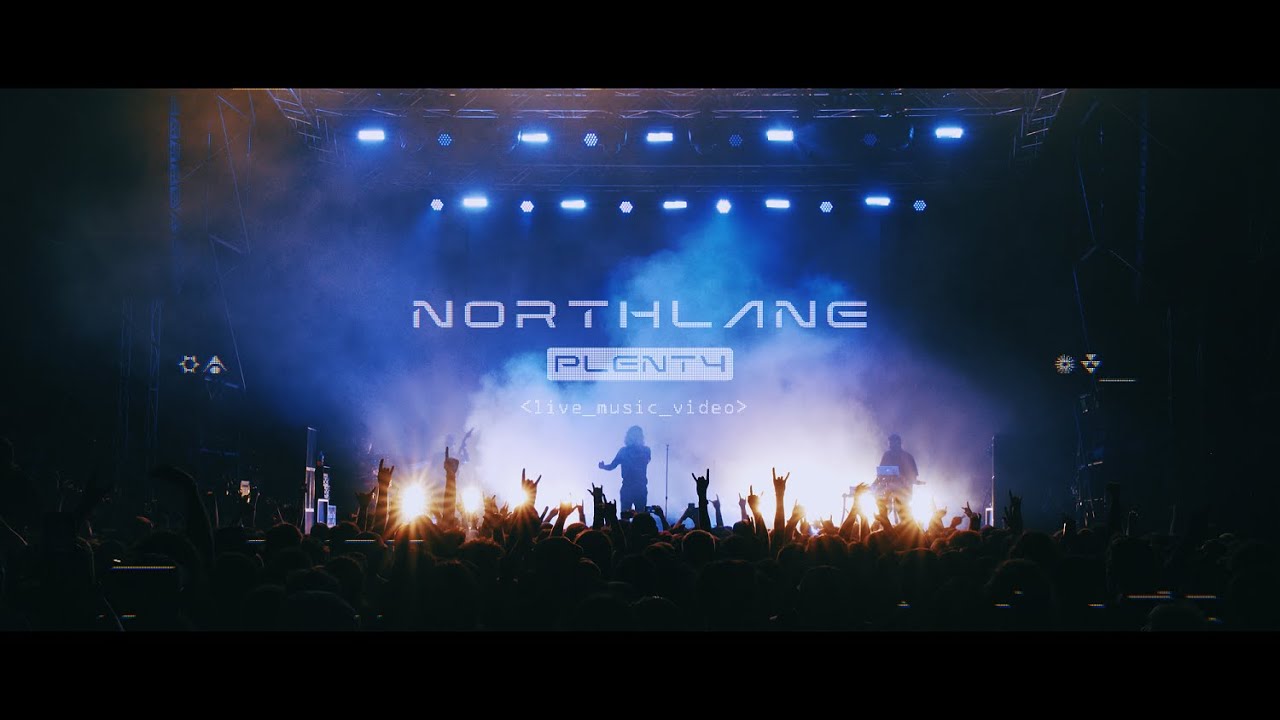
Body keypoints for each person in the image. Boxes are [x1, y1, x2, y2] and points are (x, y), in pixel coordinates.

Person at [597, 426, 651, 514]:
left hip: (639, 488)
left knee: (641, 516)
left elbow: (645, 460)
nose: (635, 437)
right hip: (628, 487)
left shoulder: (645, 450)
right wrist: (603, 467)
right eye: (634, 435)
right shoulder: (624, 451)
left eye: (637, 435)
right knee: (626, 515)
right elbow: (612, 466)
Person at [877, 433, 920, 513]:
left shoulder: (908, 457)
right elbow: (880, 472)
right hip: (889, 489)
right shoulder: (887, 455)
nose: (891, 446)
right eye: (890, 444)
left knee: (903, 512)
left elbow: (913, 476)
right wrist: (877, 484)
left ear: (899, 444)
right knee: (885, 507)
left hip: (904, 490)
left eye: (893, 444)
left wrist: (903, 479)